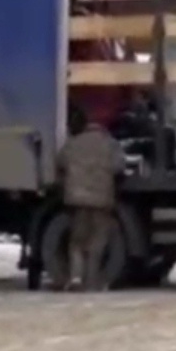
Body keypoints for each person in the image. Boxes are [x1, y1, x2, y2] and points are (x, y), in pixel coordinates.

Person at [53, 109, 124, 292]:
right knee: (97, 242)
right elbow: (118, 167)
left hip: (77, 200)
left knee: (77, 241)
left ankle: (76, 278)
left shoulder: (73, 144)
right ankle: (91, 282)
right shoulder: (110, 144)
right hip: (101, 200)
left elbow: (60, 162)